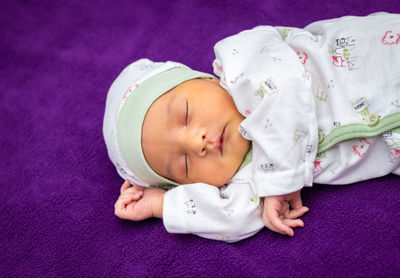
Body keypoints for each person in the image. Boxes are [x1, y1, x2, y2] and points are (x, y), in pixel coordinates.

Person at [103, 12, 400, 242]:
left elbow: (283, 90)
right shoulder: (252, 174)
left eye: (185, 114)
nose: (198, 143)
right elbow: (235, 218)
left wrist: (280, 180)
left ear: (203, 79)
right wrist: (163, 204)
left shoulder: (240, 62)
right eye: (183, 164)